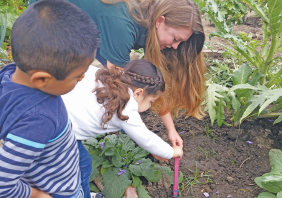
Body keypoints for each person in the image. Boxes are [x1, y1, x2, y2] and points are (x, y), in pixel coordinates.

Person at [28, 0, 207, 151]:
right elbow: (122, 97)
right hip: (49, 17)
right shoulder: (123, 26)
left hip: (85, 26)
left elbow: (152, 87)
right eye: (176, 39)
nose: (176, 47)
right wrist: (146, 142)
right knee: (52, 95)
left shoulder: (149, 22)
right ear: (160, 21)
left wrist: (171, 130)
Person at [0, 0, 99, 197]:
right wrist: (38, 195)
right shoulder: (39, 119)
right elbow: (3, 185)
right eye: (77, 76)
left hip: (56, 165)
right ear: (42, 79)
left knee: (84, 163)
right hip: (58, 191)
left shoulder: (8, 75)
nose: (83, 78)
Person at [62, 60, 184, 197]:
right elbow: (147, 139)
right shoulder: (127, 107)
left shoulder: (106, 78)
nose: (150, 106)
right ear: (138, 93)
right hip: (58, 136)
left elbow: (134, 127)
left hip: (55, 114)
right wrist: (172, 152)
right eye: (151, 101)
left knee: (82, 163)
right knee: (75, 171)